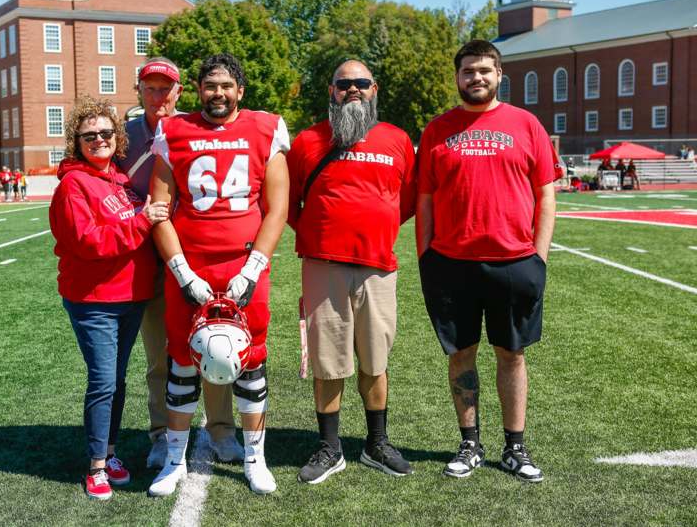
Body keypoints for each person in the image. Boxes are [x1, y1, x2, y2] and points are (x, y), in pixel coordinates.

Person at [415, 40, 560, 483]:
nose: (476, 78)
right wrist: (426, 257)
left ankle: (515, 446)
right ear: (457, 77)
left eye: (484, 70)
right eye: (468, 71)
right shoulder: (437, 129)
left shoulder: (526, 124)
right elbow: (424, 201)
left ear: (499, 75)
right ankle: (469, 442)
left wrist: (539, 257)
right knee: (461, 356)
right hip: (451, 263)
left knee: (511, 354)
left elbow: (545, 194)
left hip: (514, 261)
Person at [147, 53, 289, 496]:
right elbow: (159, 209)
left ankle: (254, 458)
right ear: (198, 90)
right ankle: (174, 460)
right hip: (191, 266)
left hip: (245, 264)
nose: (219, 93)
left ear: (240, 91)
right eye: (211, 86)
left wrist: (253, 268)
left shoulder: (266, 127)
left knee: (250, 360)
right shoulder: (174, 130)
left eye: (227, 86)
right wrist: (183, 271)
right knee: (183, 362)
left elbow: (278, 207)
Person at [287, 60, 416, 484]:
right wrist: (323, 234)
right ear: (332, 90)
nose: (354, 90)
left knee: (375, 360)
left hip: (378, 268)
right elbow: (288, 205)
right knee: (328, 362)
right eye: (345, 84)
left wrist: (373, 228)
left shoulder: (396, 139)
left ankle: (376, 443)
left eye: (361, 83)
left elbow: (409, 200)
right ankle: (330, 447)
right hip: (324, 267)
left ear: (374, 88)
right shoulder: (308, 141)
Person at [115, 57, 241, 470]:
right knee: (160, 355)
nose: (158, 97)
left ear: (180, 92)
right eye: (149, 89)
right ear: (139, 92)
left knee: (215, 343)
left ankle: (221, 429)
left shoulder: (195, 127)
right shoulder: (124, 135)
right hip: (145, 258)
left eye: (165, 89)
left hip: (195, 256)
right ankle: (160, 434)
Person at [48, 95, 170, 500]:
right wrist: (141, 223)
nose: (98, 139)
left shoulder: (119, 179)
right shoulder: (73, 184)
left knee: (116, 381)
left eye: (105, 133)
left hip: (129, 297)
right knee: (103, 381)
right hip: (93, 299)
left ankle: (111, 452)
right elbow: (89, 242)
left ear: (117, 138)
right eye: (89, 135)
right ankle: (96, 465)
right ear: (76, 142)